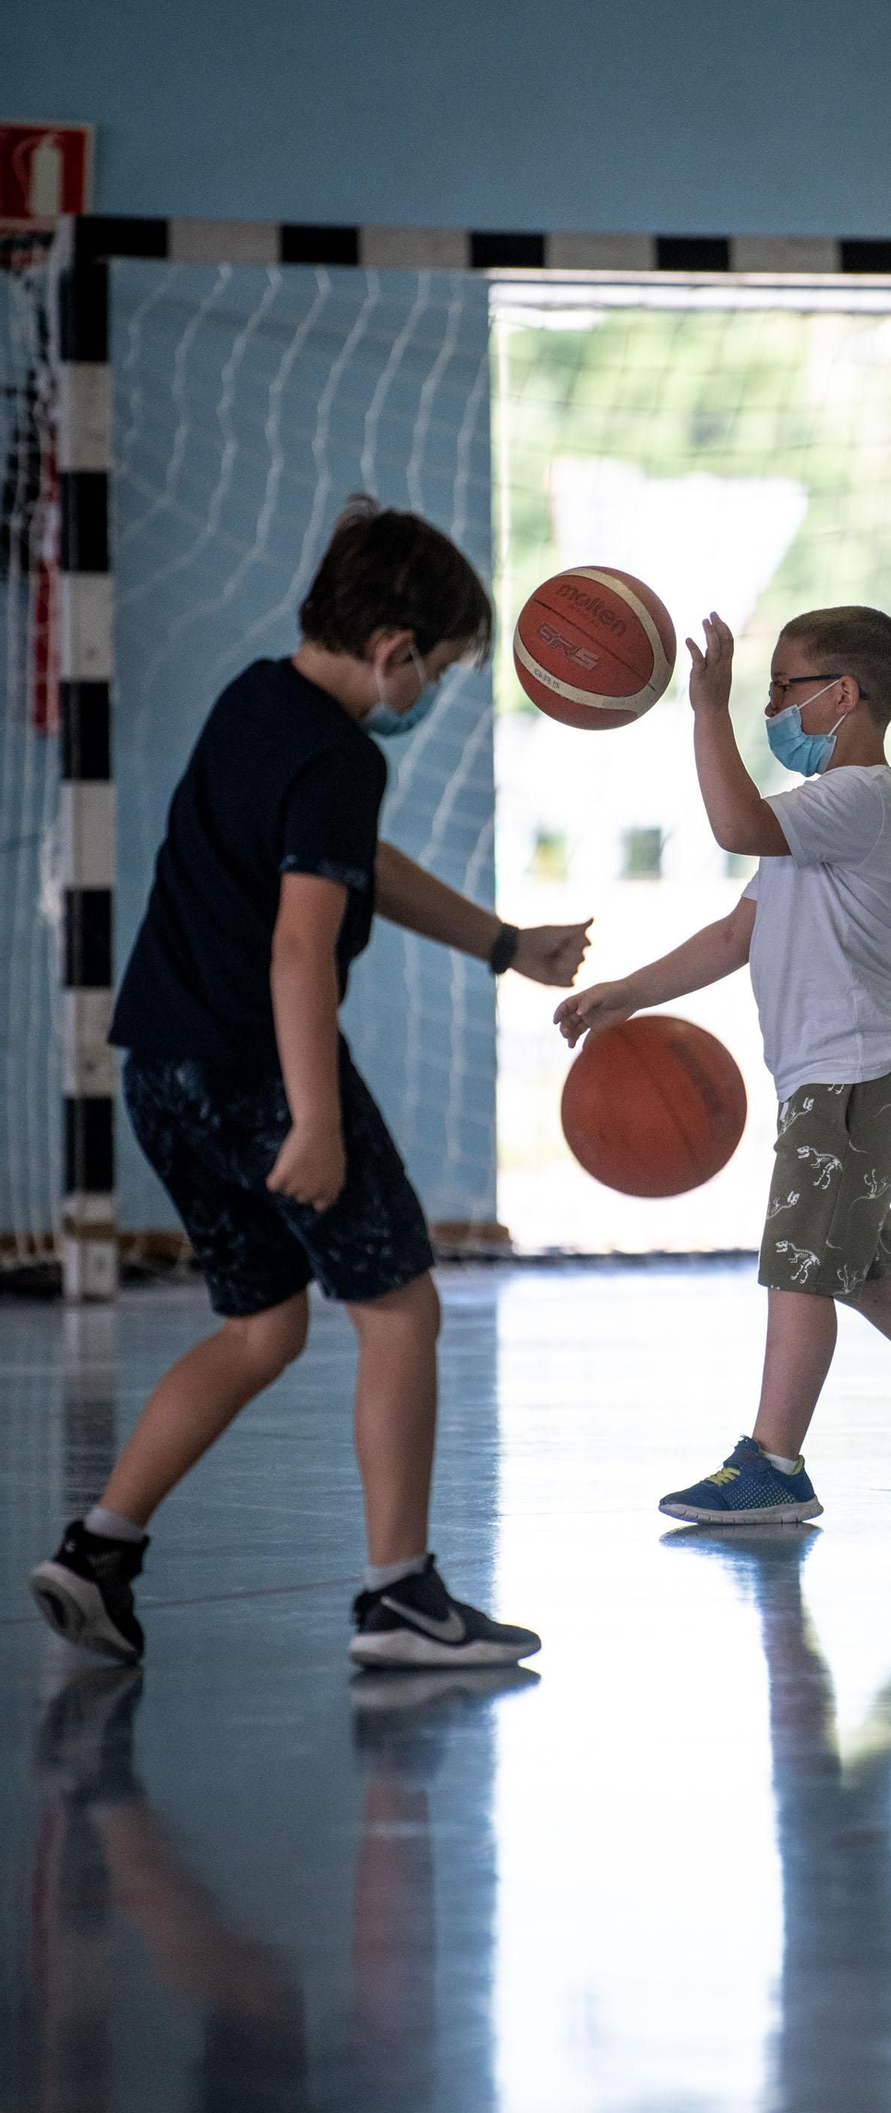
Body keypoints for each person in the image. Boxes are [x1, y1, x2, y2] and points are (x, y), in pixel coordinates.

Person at [31, 498, 586, 1669]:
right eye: (441, 669)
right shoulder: (340, 757)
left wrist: (502, 943)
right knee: (401, 1310)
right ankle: (400, 1598)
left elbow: (353, 866)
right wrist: (317, 1119)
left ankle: (98, 1549)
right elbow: (299, 947)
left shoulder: (254, 700)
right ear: (394, 650)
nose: (431, 692)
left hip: (163, 1071)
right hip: (261, 1076)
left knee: (263, 1326)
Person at [555, 605, 891, 1525]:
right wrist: (627, 993)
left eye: (784, 687)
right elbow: (735, 934)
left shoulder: (864, 798)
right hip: (844, 1074)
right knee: (863, 1274)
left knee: (798, 1266)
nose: (770, 708)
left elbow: (733, 823)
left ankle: (774, 1463)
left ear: (843, 694)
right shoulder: (816, 817)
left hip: (857, 1073)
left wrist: (706, 709)